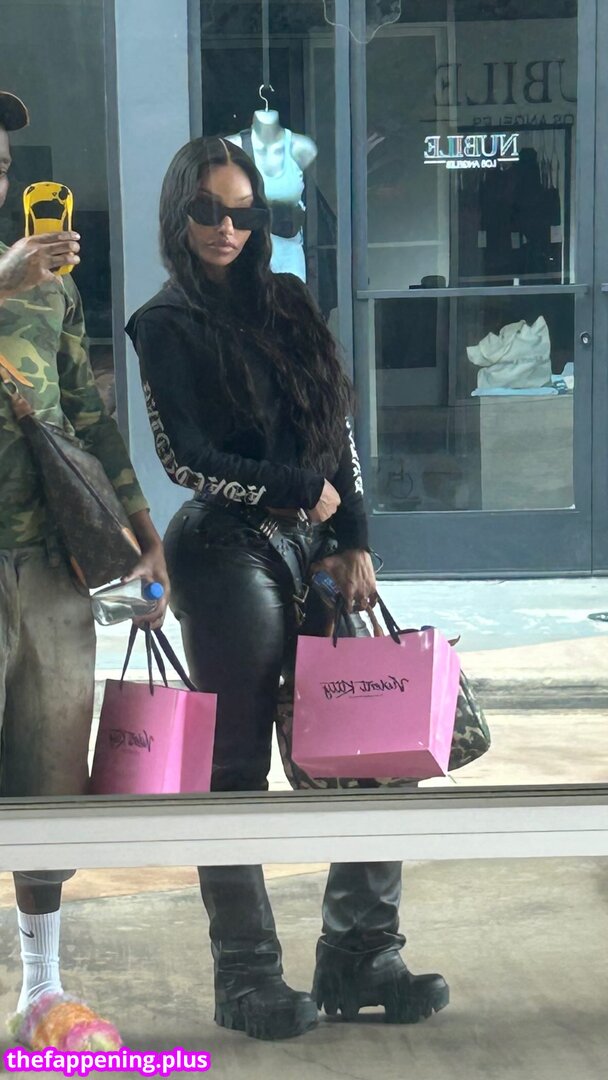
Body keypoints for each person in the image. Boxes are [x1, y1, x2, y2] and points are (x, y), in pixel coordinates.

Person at [126, 136, 448, 1041]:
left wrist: (353, 537)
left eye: (242, 213)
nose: (224, 229)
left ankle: (362, 955)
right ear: (179, 215)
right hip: (225, 547)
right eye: (207, 211)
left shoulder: (291, 301)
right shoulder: (164, 323)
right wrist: (301, 492)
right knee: (234, 767)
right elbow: (188, 459)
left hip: (316, 544)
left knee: (374, 738)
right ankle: (246, 979)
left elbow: (336, 428)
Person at [0, 91, 169, 1047]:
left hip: (52, 571)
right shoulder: (13, 275)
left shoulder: (51, 287)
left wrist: (143, 529)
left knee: (49, 780)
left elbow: (86, 412)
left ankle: (41, 991)